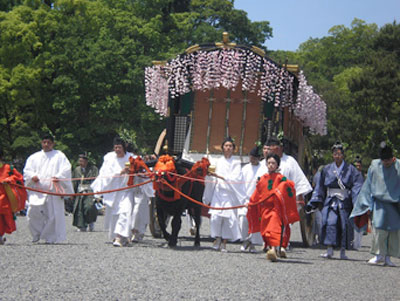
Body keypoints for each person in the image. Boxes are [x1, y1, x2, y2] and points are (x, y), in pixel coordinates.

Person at [307, 141, 364, 259]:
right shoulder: (327, 169)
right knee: (330, 223)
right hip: (331, 200)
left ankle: (343, 251)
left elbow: (357, 186)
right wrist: (315, 200)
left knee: (344, 225)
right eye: (335, 154)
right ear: (332, 155)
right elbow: (320, 186)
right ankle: (329, 250)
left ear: (343, 155)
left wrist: (356, 201)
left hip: (344, 201)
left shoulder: (351, 170)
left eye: (339, 154)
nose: (337, 156)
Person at [259, 137, 313, 254]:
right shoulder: (265, 163)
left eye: (276, 148)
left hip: (284, 200)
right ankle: (270, 243)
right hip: (268, 200)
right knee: (267, 222)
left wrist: (298, 197)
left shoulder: (290, 162)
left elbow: (297, 181)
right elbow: (259, 183)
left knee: (281, 223)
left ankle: (280, 245)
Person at [350, 142, 400, 267]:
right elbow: (368, 186)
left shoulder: (399, 165)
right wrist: (366, 204)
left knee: (393, 232)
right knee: (378, 229)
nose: (386, 163)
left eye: (388, 160)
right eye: (384, 160)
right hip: (379, 203)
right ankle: (379, 255)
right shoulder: (374, 165)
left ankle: (389, 257)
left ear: (392, 158)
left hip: (395, 204)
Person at [247, 153, 299, 261]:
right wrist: (252, 202)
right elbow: (257, 193)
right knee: (265, 230)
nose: (271, 165)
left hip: (276, 209)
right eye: (269, 163)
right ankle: (272, 248)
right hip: (264, 209)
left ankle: (274, 250)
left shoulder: (281, 179)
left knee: (273, 228)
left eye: (273, 163)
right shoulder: (262, 179)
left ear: (277, 165)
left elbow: (288, 189)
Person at [23, 134, 74, 244]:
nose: (46, 145)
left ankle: (50, 237)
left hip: (52, 190)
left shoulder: (59, 155)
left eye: (49, 142)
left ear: (53, 143)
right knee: (32, 212)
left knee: (53, 214)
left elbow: (66, 169)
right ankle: (36, 233)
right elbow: (27, 171)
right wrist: (32, 176)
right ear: (41, 143)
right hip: (37, 189)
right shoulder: (34, 157)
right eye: (44, 142)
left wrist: (58, 177)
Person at [91, 137, 135, 247]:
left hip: (126, 191)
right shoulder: (109, 158)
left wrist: (132, 171)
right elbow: (104, 173)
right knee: (114, 215)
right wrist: (119, 172)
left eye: (119, 147)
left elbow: (140, 171)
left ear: (124, 148)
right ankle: (119, 236)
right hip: (113, 190)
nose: (117, 150)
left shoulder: (132, 158)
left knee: (125, 212)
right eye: (115, 147)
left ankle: (120, 237)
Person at [203, 137, 245, 252]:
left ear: (233, 149)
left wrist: (221, 176)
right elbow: (211, 174)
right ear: (222, 148)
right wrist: (210, 175)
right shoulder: (218, 161)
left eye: (230, 146)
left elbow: (236, 178)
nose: (228, 148)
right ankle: (217, 239)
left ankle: (224, 242)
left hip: (229, 193)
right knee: (216, 217)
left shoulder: (236, 162)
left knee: (229, 218)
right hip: (218, 191)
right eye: (226, 146)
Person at [239, 146, 264, 253]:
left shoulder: (264, 169)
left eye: (255, 157)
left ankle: (253, 243)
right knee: (243, 220)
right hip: (246, 199)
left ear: (259, 158)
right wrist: (242, 200)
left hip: (258, 201)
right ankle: (245, 240)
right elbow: (240, 185)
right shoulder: (244, 169)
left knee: (255, 222)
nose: (252, 159)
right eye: (251, 157)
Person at [0, 148, 27, 245]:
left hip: (5, 197)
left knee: (3, 217)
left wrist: (9, 180)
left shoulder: (8, 168)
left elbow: (19, 178)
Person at [72, 153, 99, 232]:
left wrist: (97, 192)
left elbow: (96, 180)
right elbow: (74, 182)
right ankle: (81, 225)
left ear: (86, 161)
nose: (81, 163)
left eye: (82, 161)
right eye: (79, 161)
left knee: (89, 207)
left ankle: (90, 221)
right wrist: (72, 193)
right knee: (79, 208)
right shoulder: (77, 170)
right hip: (79, 190)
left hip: (90, 190)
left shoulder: (93, 169)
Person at [130, 156, 154, 242]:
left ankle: (139, 231)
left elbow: (151, 180)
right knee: (132, 211)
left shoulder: (148, 170)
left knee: (139, 211)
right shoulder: (132, 169)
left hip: (143, 194)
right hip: (133, 193)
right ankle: (132, 231)